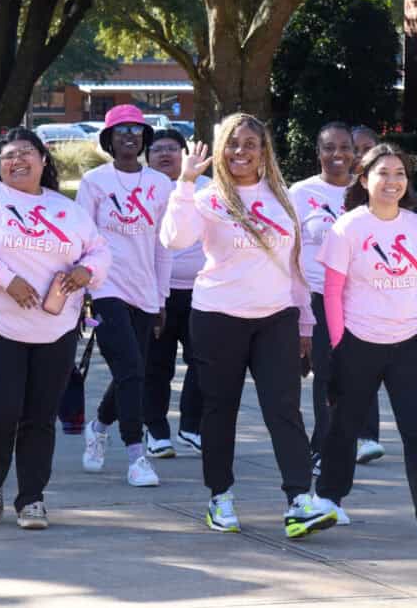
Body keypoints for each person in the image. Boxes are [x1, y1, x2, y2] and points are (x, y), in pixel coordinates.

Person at [161, 113, 336, 537]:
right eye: (232, 144)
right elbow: (174, 239)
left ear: (264, 151)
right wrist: (185, 184)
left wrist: (305, 323)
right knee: (220, 410)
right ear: (221, 151)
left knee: (284, 409)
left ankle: (299, 499)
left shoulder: (283, 198)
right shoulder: (208, 198)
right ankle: (219, 497)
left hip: (276, 318)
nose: (241, 151)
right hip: (217, 317)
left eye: (250, 144)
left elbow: (295, 267)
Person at [0, 127, 110, 529]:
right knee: (1, 409)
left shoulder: (66, 207)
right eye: (8, 156)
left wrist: (85, 270)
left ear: (43, 160)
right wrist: (5, 278)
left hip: (55, 328)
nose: (17, 161)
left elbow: (99, 250)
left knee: (40, 415)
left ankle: (32, 499)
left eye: (25, 153)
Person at [313, 142, 417, 540]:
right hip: (358, 341)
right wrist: (341, 342)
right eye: (383, 173)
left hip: (411, 343)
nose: (392, 181)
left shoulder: (416, 227)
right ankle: (328, 498)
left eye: (400, 174)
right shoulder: (348, 227)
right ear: (364, 179)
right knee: (344, 424)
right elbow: (331, 292)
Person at [78, 104, 173, 487]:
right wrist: (83, 292)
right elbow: (81, 238)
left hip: (145, 290)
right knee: (131, 368)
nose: (129, 136)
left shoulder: (160, 184)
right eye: (121, 131)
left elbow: (164, 247)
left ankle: (98, 425)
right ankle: (137, 456)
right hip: (105, 287)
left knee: (131, 371)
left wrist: (162, 297)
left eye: (136, 130)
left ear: (145, 138)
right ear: (109, 140)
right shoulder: (94, 182)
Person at [291, 122, 385, 474]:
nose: (338, 155)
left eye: (345, 148)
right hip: (315, 296)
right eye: (329, 148)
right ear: (318, 152)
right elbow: (288, 249)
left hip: (359, 298)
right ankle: (322, 449)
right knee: (325, 373)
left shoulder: (366, 193)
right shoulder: (300, 193)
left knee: (357, 372)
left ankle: (354, 439)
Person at [142, 128, 206, 457]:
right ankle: (156, 431)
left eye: (172, 149)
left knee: (202, 360)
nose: (165, 155)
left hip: (202, 292)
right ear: (147, 156)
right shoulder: (142, 190)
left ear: (185, 155)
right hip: (156, 292)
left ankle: (192, 426)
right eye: (157, 150)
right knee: (156, 364)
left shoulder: (206, 188)